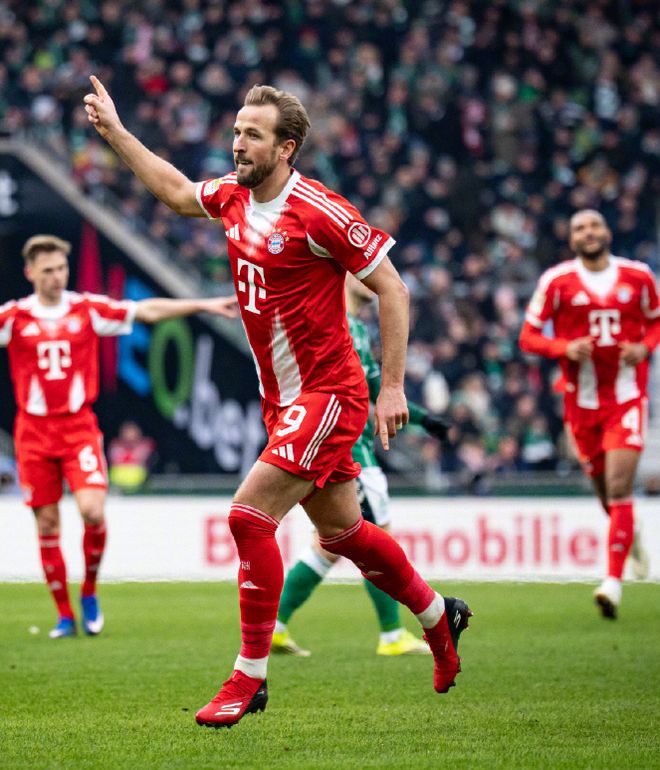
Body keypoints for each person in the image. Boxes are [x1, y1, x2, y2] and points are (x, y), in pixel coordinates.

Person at [84, 75, 472, 728]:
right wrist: (118, 133)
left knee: (248, 517)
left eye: (253, 135)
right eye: (236, 131)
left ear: (286, 148)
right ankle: (439, 615)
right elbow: (176, 192)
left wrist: (394, 387)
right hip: (284, 401)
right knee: (345, 533)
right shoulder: (233, 197)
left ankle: (250, 677)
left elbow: (393, 290)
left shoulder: (320, 211)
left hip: (330, 394)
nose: (237, 143)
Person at [0, 234, 238, 639]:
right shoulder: (14, 316)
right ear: (30, 273)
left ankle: (89, 592)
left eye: (62, 268)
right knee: (47, 522)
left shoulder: (86, 309)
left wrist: (201, 304)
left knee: (92, 510)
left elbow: (145, 311)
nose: (57, 276)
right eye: (48, 270)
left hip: (77, 428)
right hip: (33, 432)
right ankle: (64, 616)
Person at [272, 273, 455, 657]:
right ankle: (391, 634)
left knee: (330, 545)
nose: (374, 277)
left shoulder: (355, 328)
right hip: (348, 451)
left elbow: (375, 386)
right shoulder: (330, 320)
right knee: (373, 541)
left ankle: (277, 626)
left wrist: (423, 419)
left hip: (347, 448)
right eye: (363, 271)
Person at [519, 209, 658, 619]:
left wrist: (645, 348)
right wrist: (563, 348)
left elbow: (656, 323)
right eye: (579, 227)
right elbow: (528, 336)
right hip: (580, 405)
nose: (589, 232)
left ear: (608, 232)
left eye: (595, 225)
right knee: (604, 493)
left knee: (618, 487)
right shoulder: (556, 281)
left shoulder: (638, 276)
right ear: (572, 239)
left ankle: (612, 583)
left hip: (626, 398)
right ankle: (630, 536)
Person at [108, 421, 157, 493]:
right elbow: (115, 461)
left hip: (139, 482)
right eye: (126, 431)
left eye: (132, 431)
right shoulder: (115, 445)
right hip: (117, 483)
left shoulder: (145, 444)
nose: (129, 434)